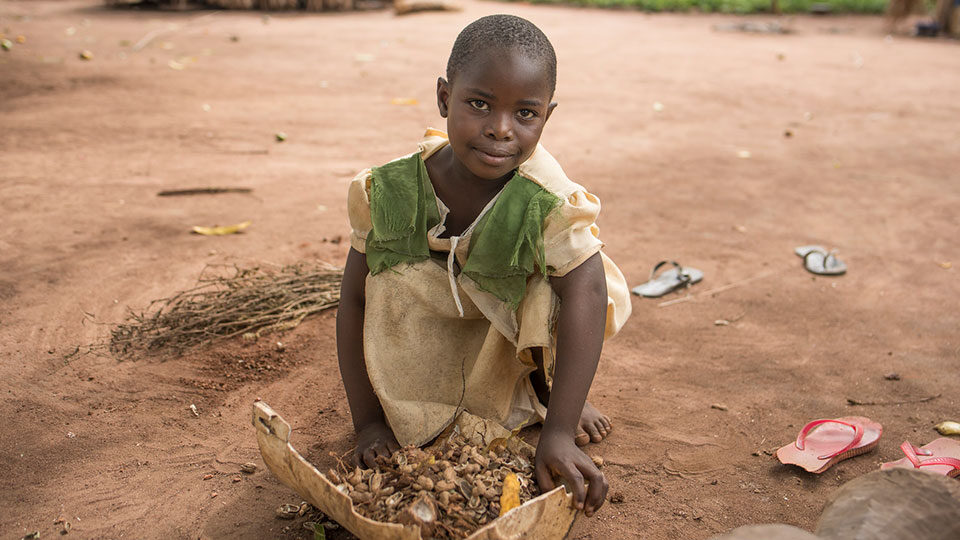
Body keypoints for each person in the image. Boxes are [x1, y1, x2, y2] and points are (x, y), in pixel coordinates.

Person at [336, 14, 631, 517]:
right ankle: (464, 398)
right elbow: (354, 299)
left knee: (562, 284)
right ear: (444, 97)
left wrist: (559, 432)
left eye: (525, 113)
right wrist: (369, 423)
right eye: (478, 104)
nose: (500, 129)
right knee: (388, 276)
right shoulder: (389, 193)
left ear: (547, 116)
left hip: (511, 314)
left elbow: (587, 294)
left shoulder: (549, 202)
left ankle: (549, 398)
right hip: (447, 311)